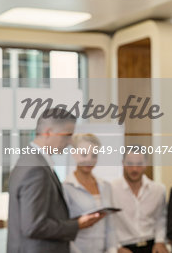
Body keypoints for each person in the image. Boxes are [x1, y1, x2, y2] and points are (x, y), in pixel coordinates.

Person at [7, 108, 104, 253]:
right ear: (48, 132)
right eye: (67, 135)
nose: (71, 142)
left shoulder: (31, 161)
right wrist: (76, 225)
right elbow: (33, 226)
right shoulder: (36, 168)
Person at [63, 133, 121, 253]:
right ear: (74, 154)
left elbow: (110, 225)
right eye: (84, 154)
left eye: (94, 155)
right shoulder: (65, 188)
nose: (89, 159)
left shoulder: (106, 186)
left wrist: (112, 249)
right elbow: (64, 229)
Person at [111, 152, 168, 253]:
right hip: (124, 247)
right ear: (123, 163)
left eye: (139, 164)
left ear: (146, 163)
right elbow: (108, 223)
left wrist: (160, 241)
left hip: (152, 246)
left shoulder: (158, 190)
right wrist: (117, 247)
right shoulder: (111, 189)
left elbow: (161, 219)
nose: (134, 169)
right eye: (130, 163)